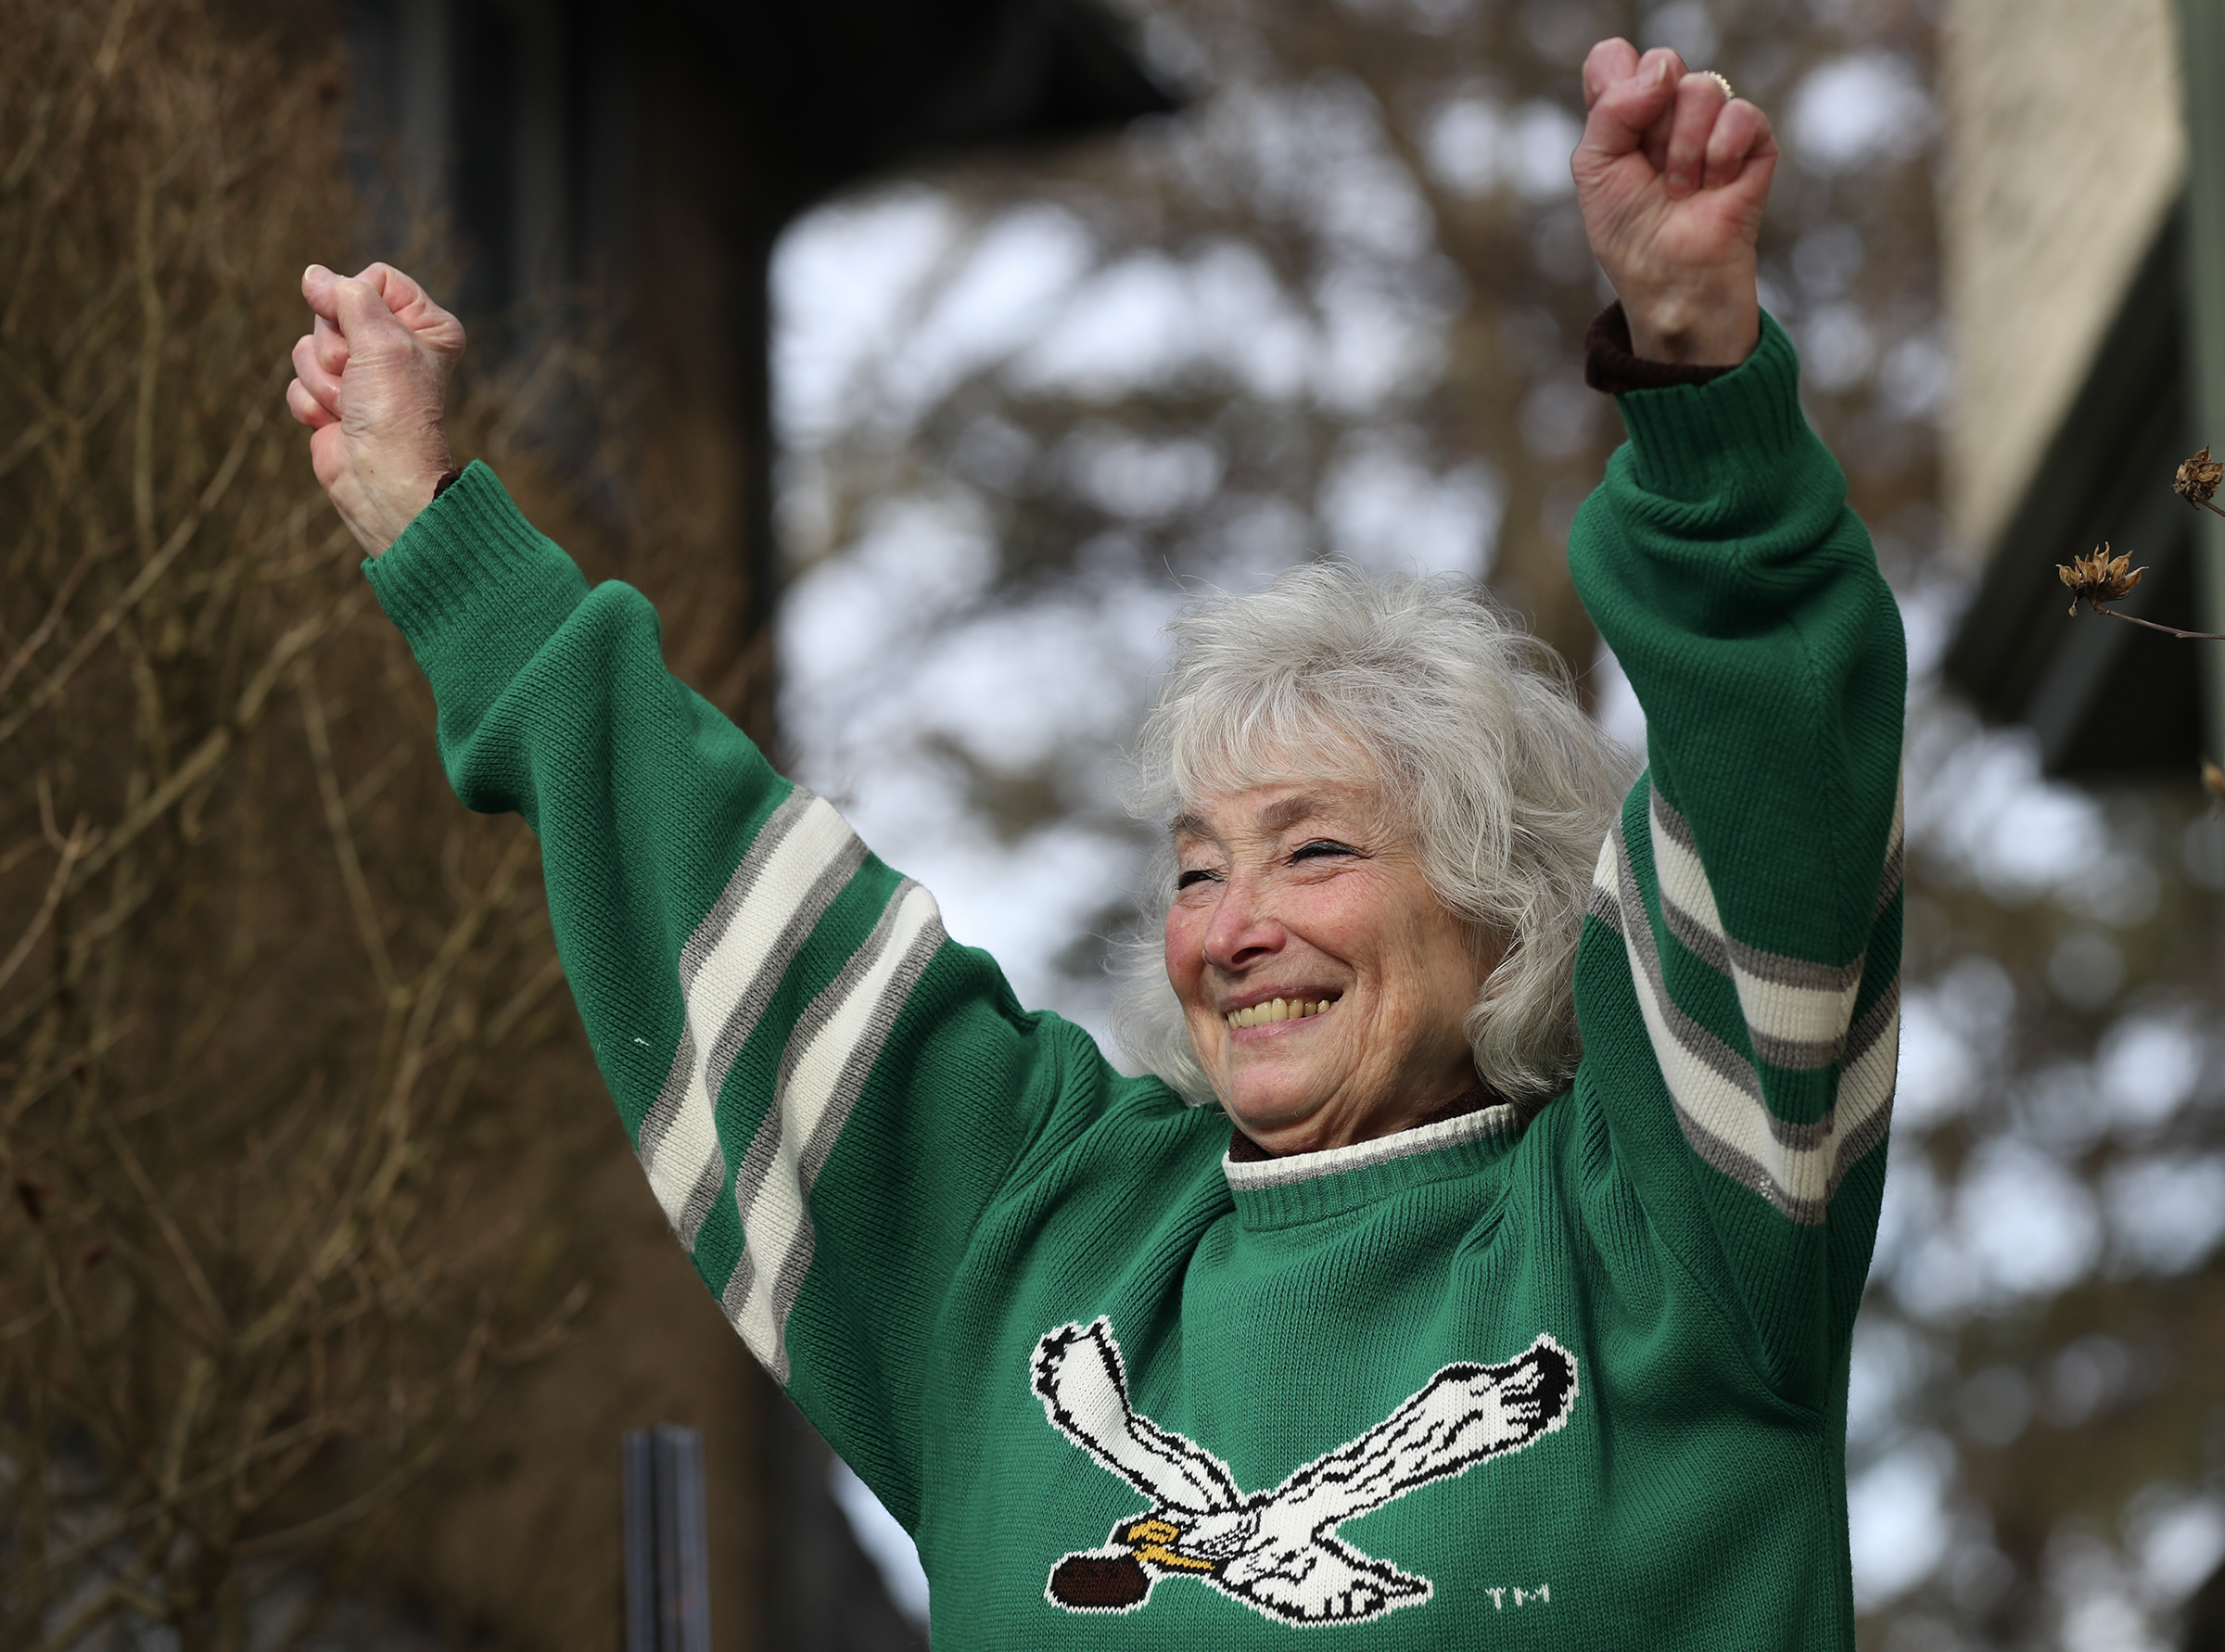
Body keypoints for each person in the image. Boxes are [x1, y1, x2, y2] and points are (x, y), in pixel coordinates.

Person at [288, 39, 1902, 1648]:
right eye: (1199, 870)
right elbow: (729, 882)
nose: (1234, 926)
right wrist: (449, 547)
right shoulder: (1041, 1241)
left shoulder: (1677, 1231)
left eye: (1315, 852)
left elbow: (1779, 800)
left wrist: (1699, 386)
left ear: (1499, 907)